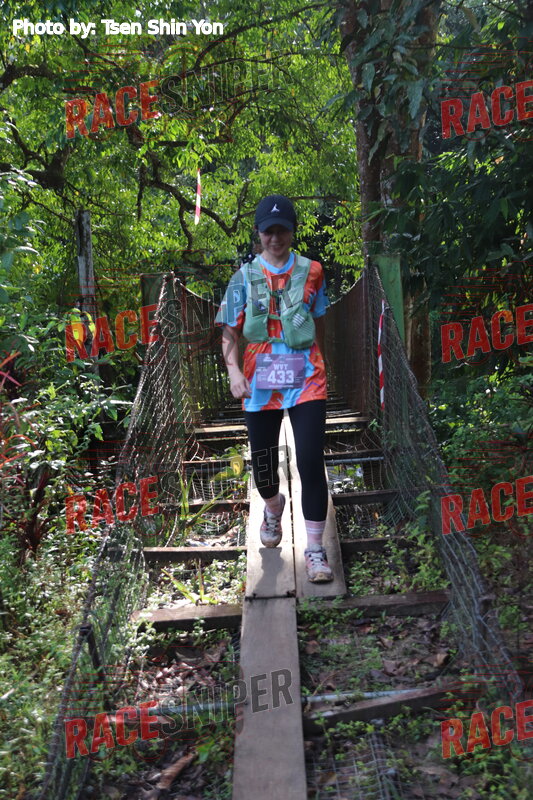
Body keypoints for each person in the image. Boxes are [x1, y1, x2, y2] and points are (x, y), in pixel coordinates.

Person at [214, 194, 333, 582]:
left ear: (293, 231)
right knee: (264, 469)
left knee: (310, 461)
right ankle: (273, 505)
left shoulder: (313, 271)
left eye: (282, 230)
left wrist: (323, 362)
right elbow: (229, 332)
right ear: (258, 233)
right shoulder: (242, 278)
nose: (275, 238)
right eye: (269, 231)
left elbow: (319, 320)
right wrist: (234, 372)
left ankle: (315, 550)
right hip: (260, 383)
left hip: (307, 379)